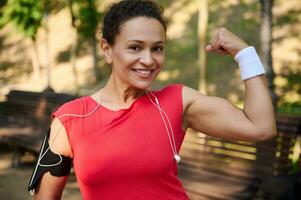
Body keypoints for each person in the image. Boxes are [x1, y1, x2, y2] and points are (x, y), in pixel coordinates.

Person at [29, 0, 276, 199]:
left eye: (157, 48)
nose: (148, 60)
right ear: (107, 50)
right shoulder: (70, 118)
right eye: (135, 47)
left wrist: (244, 54)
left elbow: (261, 127)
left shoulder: (177, 102)